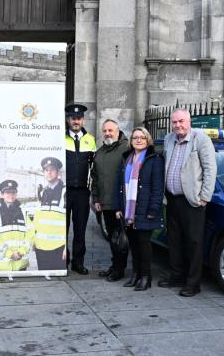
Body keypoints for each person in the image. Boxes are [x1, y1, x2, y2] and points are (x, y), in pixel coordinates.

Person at [159, 108, 217, 297]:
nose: (178, 125)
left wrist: (205, 197)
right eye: (175, 122)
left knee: (193, 243)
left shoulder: (201, 139)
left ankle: (193, 283)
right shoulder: (169, 139)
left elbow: (210, 169)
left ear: (189, 121)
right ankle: (176, 276)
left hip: (192, 201)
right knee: (174, 240)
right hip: (172, 199)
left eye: (181, 121)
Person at [115, 127, 164, 291]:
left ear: (148, 140)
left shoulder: (155, 159)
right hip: (128, 210)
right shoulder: (126, 158)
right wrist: (119, 207)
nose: (138, 140)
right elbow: (120, 185)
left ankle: (146, 277)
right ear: (131, 141)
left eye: (142, 137)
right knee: (134, 245)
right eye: (135, 137)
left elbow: (158, 188)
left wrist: (153, 209)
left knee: (144, 245)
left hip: (144, 209)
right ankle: (135, 274)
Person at [91, 119, 131, 281]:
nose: (107, 133)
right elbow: (95, 178)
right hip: (105, 204)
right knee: (113, 239)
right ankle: (115, 266)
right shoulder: (99, 152)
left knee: (121, 239)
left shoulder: (127, 148)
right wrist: (96, 199)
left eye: (110, 130)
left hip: (121, 204)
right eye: (105, 131)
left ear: (118, 131)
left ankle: (119, 270)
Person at [64, 103, 96, 275]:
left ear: (83, 120)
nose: (76, 121)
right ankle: (63, 261)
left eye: (78, 118)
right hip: (64, 191)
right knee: (62, 228)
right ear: (68, 119)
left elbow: (94, 167)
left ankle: (78, 262)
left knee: (80, 229)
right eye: (72, 118)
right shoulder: (60, 138)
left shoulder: (91, 139)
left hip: (82, 192)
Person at [0, 180, 33, 272]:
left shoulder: (23, 212)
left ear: (16, 194)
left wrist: (21, 251)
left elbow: (30, 234)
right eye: (7, 192)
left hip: (20, 264)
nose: (11, 195)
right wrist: (10, 254)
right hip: (1, 266)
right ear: (2, 195)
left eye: (13, 192)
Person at [33, 156, 67, 271]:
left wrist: (66, 246)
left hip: (58, 248)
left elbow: (70, 221)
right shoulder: (43, 192)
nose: (49, 172)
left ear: (58, 172)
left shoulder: (65, 191)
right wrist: (34, 240)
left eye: (52, 169)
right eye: (46, 170)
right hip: (41, 248)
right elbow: (38, 218)